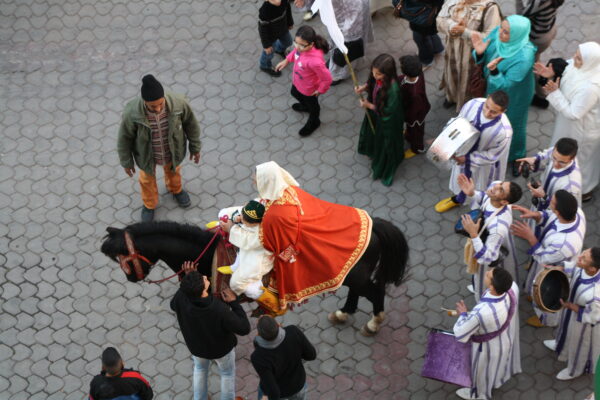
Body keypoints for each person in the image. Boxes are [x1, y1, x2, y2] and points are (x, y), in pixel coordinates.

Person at [255, 161, 372, 310]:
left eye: (257, 179)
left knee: (272, 267)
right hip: (313, 222)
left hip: (300, 243)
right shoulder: (288, 189)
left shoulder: (274, 216)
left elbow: (269, 243)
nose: (254, 181)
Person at [117, 74, 201, 222]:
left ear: (164, 97)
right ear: (144, 102)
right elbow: (124, 138)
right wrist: (126, 162)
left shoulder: (178, 104)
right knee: (146, 180)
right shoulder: (132, 112)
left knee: (174, 171)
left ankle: (176, 190)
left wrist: (195, 147)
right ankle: (149, 204)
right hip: (146, 155)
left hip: (172, 151)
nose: (157, 108)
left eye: (160, 104)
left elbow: (191, 125)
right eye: (152, 106)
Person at [170, 261, 251, 400]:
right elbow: (244, 328)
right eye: (204, 279)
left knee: (200, 370)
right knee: (227, 374)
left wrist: (189, 278)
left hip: (196, 348)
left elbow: (173, 304)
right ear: (203, 290)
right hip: (222, 350)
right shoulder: (219, 309)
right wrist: (234, 303)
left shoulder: (181, 298)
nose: (207, 278)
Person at [471, 15, 536, 173]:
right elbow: (483, 52)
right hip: (494, 86)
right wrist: (479, 54)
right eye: (501, 28)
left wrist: (493, 71)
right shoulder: (497, 33)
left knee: (514, 124)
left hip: (515, 95)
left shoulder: (524, 57)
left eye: (506, 32)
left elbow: (507, 85)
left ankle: (516, 156)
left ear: (517, 35)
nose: (500, 33)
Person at [511, 190, 586, 328]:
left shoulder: (563, 244)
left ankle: (545, 321)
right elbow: (551, 216)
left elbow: (543, 259)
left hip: (555, 271)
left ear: (559, 212)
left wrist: (530, 237)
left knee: (550, 295)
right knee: (535, 284)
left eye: (552, 202)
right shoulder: (577, 212)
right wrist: (536, 215)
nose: (549, 200)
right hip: (551, 259)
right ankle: (533, 294)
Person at [537, 41, 600, 202]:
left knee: (579, 160)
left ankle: (584, 189)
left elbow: (574, 113)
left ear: (589, 62)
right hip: (566, 124)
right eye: (576, 54)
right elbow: (567, 69)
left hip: (580, 130)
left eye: (579, 58)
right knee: (560, 151)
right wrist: (550, 75)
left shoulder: (591, 87)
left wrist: (555, 94)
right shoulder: (579, 65)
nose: (574, 58)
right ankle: (553, 176)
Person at [434, 90, 512, 213]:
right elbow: (457, 122)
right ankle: (457, 199)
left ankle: (477, 211)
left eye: (493, 112)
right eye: (486, 106)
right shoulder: (472, 104)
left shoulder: (504, 132)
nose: (487, 112)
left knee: (480, 189)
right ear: (487, 99)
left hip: (483, 167)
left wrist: (468, 159)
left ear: (503, 112)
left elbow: (494, 155)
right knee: (459, 181)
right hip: (461, 155)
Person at [453, 267, 521, 400]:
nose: (487, 272)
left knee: (481, 373)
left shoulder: (481, 312)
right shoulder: (512, 287)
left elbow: (460, 333)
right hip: (504, 339)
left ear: (492, 287)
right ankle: (496, 382)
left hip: (485, 349)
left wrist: (463, 315)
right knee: (497, 366)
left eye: (488, 275)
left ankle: (479, 395)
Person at [456, 174, 522, 300]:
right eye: (501, 184)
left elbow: (488, 257)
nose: (496, 186)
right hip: (485, 239)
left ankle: (482, 296)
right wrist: (472, 194)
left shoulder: (497, 228)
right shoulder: (494, 191)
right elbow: (484, 197)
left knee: (482, 278)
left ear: (504, 202)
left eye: (501, 189)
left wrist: (474, 235)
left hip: (488, 247)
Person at [543, 248, 600, 381]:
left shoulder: (595, 294)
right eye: (583, 253)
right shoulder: (585, 266)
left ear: (592, 269)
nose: (579, 257)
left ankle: (574, 370)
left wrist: (571, 306)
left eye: (584, 258)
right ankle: (560, 345)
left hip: (584, 324)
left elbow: (594, 316)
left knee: (579, 345)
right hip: (571, 310)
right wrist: (560, 268)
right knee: (565, 330)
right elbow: (574, 267)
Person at [436, 0, 502, 111]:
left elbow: (491, 37)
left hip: (472, 55)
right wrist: (452, 27)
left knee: (468, 81)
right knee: (452, 73)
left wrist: (465, 32)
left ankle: (466, 106)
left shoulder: (490, 8)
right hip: (452, 50)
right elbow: (440, 19)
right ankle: (451, 97)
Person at [356, 54, 405, 186]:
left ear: (387, 74)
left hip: (386, 122)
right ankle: (372, 151)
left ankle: (383, 165)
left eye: (378, 74)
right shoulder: (376, 78)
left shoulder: (393, 89)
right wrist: (364, 87)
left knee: (384, 142)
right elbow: (372, 83)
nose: (374, 75)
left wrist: (369, 105)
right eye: (373, 72)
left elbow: (389, 111)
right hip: (375, 115)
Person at [275, 26, 332, 137]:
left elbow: (327, 79)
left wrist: (320, 90)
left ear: (311, 44)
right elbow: (295, 53)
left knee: (314, 107)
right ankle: (306, 107)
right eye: (295, 42)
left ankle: (314, 121)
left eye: (301, 45)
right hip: (298, 81)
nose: (297, 46)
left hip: (309, 89)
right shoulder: (301, 47)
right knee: (294, 92)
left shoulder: (315, 62)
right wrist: (286, 60)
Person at [218, 200, 274, 300]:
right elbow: (239, 215)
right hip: (249, 243)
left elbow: (247, 241)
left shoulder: (262, 234)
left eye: (245, 220)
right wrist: (235, 219)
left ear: (255, 223)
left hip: (258, 254)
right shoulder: (256, 208)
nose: (242, 219)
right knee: (222, 213)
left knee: (235, 283)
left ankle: (245, 294)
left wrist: (231, 229)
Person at [251, 315, 317, 400]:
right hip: (298, 385)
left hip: (281, 394)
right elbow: (311, 355)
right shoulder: (293, 331)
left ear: (259, 334)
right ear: (278, 325)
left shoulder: (258, 357)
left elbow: (273, 391)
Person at [516, 138, 582, 222]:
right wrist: (534, 160)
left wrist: (544, 197)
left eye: (562, 162)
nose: (555, 164)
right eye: (554, 158)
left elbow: (565, 212)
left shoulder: (571, 186)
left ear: (572, 158)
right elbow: (546, 154)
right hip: (540, 202)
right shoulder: (557, 153)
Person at [517, 0, 565, 109]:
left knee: (536, 68)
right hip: (548, 29)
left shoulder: (539, 2)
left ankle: (542, 96)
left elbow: (521, 18)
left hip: (537, 38)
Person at [326, 0, 374, 85]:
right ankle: (338, 62)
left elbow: (355, 14)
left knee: (348, 45)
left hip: (351, 13)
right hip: (339, 10)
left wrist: (346, 33)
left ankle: (340, 73)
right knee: (341, 42)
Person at [89, 347, 153, 400]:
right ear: (122, 363)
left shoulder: (96, 382)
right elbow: (148, 394)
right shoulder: (135, 377)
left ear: (103, 368)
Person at [399, 55, 431, 158]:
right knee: (411, 129)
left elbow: (414, 110)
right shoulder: (418, 73)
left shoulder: (414, 93)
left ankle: (417, 148)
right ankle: (408, 135)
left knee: (416, 131)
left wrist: (408, 118)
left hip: (415, 116)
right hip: (413, 111)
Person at [258, 0, 294, 77]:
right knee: (269, 52)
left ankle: (279, 49)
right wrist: (266, 45)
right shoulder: (265, 11)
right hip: (270, 35)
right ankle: (264, 65)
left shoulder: (284, 1)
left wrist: (290, 22)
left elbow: (288, 10)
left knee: (288, 42)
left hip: (283, 29)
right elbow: (262, 29)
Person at [407, 0, 445, 69]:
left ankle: (426, 60)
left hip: (422, 14)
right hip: (432, 13)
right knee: (429, 32)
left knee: (420, 38)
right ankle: (438, 48)